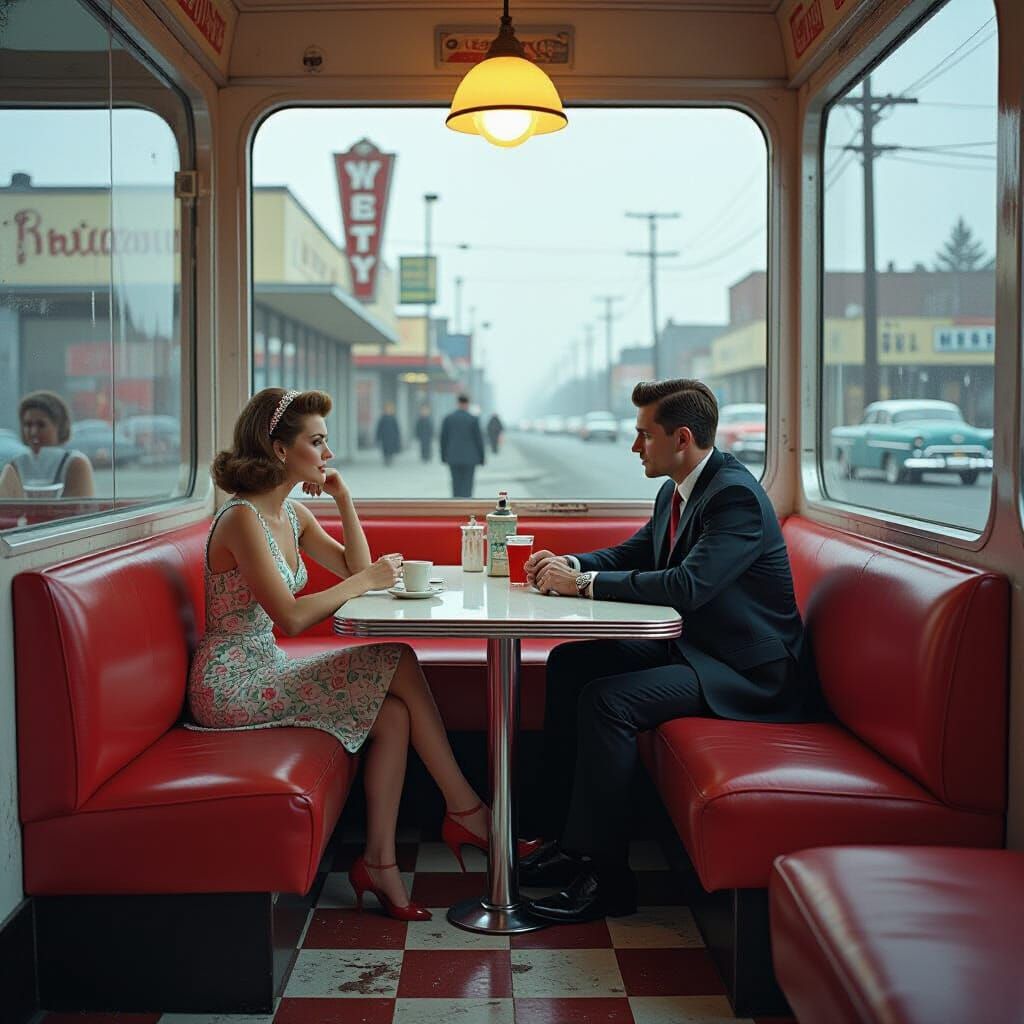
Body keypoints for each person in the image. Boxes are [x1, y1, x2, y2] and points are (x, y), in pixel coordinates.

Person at [186, 388, 535, 921]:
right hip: (231, 682)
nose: (328, 454)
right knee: (396, 658)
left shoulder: (293, 513)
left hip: (264, 664)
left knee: (393, 715)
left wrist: (345, 500)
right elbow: (294, 617)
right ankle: (468, 811)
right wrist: (367, 578)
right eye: (318, 442)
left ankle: (380, 862)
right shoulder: (240, 518)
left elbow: (355, 569)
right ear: (281, 451)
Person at [520, 378, 819, 925]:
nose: (635, 447)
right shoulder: (677, 491)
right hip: (699, 651)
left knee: (608, 701)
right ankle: (567, 841)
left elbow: (686, 586)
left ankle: (607, 877)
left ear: (681, 438)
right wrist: (568, 564)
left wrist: (581, 588)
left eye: (643, 435)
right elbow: (635, 553)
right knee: (569, 663)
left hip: (747, 673)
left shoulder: (735, 498)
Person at [0, 390, 94, 498]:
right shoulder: (15, 465)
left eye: (41, 425)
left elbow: (79, 510)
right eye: (28, 425)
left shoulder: (76, 464)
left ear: (59, 427)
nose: (33, 432)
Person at [440, 394, 486, 499]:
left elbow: (443, 439)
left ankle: (456, 506)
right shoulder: (473, 419)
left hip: (453, 457)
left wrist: (443, 457)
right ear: (467, 404)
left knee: (456, 485)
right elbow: (479, 440)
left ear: (457, 403)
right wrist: (482, 458)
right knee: (467, 486)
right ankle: (467, 508)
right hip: (470, 458)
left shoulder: (448, 419)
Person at [375, 402, 401, 467]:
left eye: (390, 409)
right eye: (387, 409)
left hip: (392, 438)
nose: (388, 410)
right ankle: (386, 459)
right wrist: (378, 437)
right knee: (385, 449)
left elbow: (396, 429)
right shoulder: (382, 419)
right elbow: (379, 429)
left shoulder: (393, 418)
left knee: (391, 449)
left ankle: (390, 458)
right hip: (384, 438)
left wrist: (397, 437)